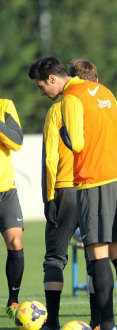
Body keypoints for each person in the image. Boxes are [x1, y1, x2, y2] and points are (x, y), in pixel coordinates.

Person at [28, 56, 117, 330]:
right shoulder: (105, 92)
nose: (42, 92)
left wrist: (68, 135)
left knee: (97, 253)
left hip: (92, 181)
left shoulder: (71, 98)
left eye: (42, 86)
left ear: (53, 79)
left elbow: (77, 143)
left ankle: (109, 324)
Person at [35, 59, 107, 330]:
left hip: (65, 188)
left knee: (54, 257)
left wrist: (48, 198)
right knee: (95, 258)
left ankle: (52, 322)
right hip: (93, 188)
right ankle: (98, 322)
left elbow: (50, 159)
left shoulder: (57, 110)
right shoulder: (98, 108)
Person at [0, 99, 24, 320]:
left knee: (16, 242)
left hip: (6, 191)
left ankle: (13, 300)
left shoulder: (5, 106)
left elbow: (16, 142)